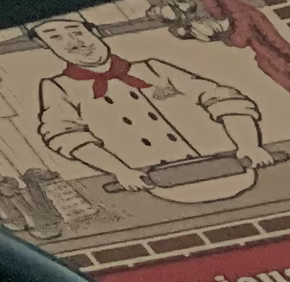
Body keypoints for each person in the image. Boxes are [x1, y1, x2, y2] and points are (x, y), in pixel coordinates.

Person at [26, 13, 268, 196]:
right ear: (45, 46)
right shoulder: (58, 87)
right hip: (154, 182)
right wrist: (120, 171)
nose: (73, 43)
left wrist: (249, 145)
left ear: (95, 31)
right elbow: (65, 135)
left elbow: (224, 99)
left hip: (224, 167)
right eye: (55, 38)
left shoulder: (153, 68)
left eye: (76, 31)